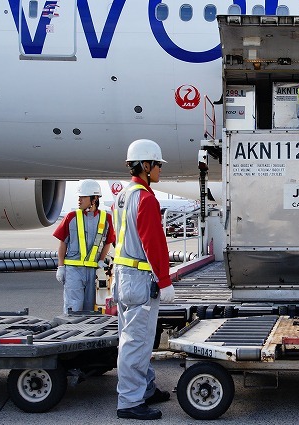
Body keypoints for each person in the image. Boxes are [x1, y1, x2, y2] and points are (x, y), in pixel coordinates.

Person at [113, 139, 175, 420]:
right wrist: (164, 280)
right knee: (136, 342)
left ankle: (145, 389)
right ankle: (129, 402)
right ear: (145, 166)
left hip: (124, 276)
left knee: (137, 338)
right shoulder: (147, 198)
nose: (160, 170)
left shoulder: (124, 196)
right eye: (157, 165)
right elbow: (153, 243)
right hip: (138, 278)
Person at [53, 179, 115, 314]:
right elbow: (63, 243)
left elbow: (108, 242)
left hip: (94, 271)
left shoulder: (106, 218)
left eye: (83, 197)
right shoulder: (71, 217)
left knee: (91, 308)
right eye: (79, 197)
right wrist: (61, 267)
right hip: (73, 271)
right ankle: (70, 333)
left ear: (94, 198)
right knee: (74, 307)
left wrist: (101, 260)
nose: (79, 200)